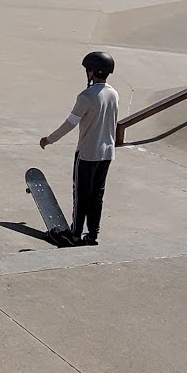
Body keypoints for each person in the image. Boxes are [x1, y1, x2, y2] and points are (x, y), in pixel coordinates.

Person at [40, 51, 119, 245]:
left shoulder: (86, 96)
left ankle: (75, 234)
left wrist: (49, 139)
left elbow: (71, 123)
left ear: (92, 71)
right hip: (107, 153)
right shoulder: (114, 93)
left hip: (87, 154)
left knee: (81, 195)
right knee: (97, 195)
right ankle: (92, 235)